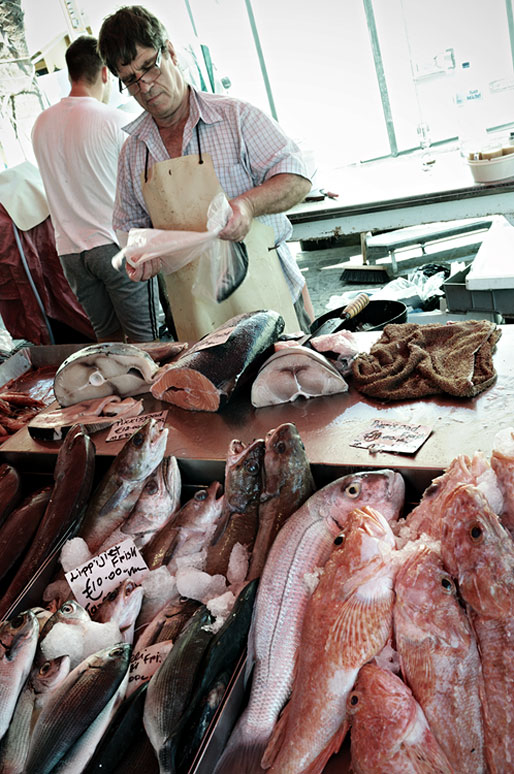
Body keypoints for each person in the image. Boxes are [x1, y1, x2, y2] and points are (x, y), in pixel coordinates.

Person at [97, 6, 314, 340]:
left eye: (149, 67)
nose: (146, 87)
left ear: (169, 52)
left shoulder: (235, 117)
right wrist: (141, 253)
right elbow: (128, 226)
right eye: (131, 80)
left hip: (267, 291)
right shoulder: (133, 150)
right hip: (194, 312)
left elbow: (296, 178)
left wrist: (248, 206)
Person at [32, 35, 160, 343]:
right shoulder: (117, 121)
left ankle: (116, 394)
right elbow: (147, 186)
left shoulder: (40, 124)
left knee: (109, 343)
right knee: (147, 342)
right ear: (105, 73)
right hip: (113, 245)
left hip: (71, 254)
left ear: (71, 73)